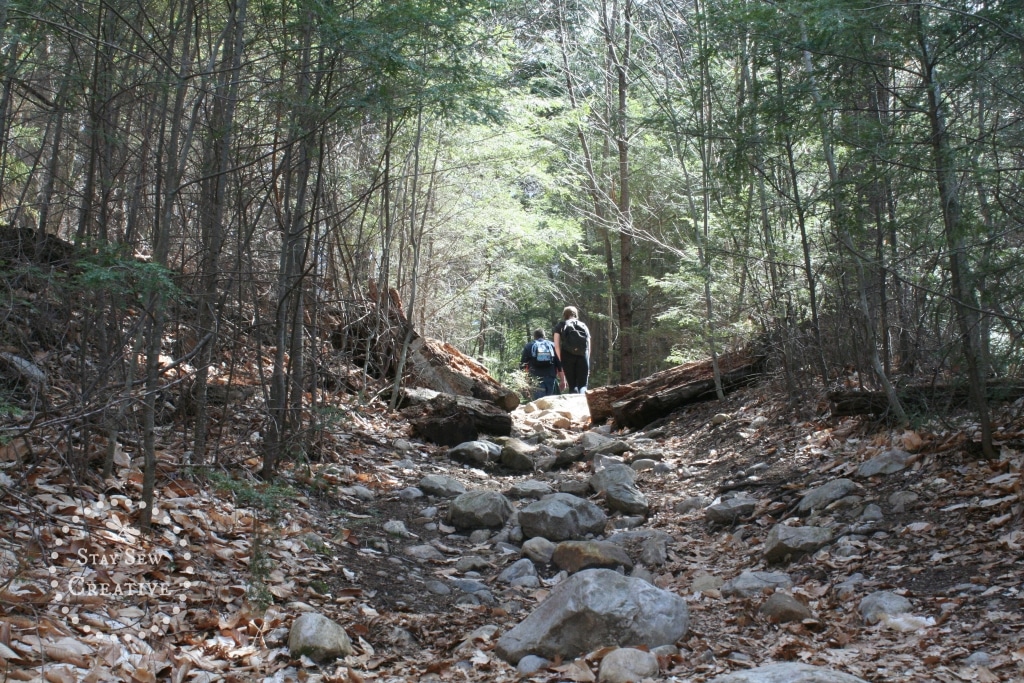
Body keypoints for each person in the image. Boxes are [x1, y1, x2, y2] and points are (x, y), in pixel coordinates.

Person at [553, 305, 590, 393]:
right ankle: (584, 403)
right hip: (582, 355)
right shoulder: (583, 325)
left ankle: (574, 405)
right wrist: (587, 360)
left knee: (572, 385)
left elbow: (557, 345)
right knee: (583, 385)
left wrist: (560, 359)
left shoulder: (560, 326)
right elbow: (588, 346)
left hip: (567, 356)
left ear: (564, 314)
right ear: (576, 314)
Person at [520, 329, 561, 399]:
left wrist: (524, 382)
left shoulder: (529, 346)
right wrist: (563, 380)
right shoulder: (552, 345)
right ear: (544, 336)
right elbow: (559, 363)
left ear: (534, 336)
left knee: (539, 403)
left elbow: (522, 365)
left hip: (536, 377)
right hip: (550, 376)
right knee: (550, 401)